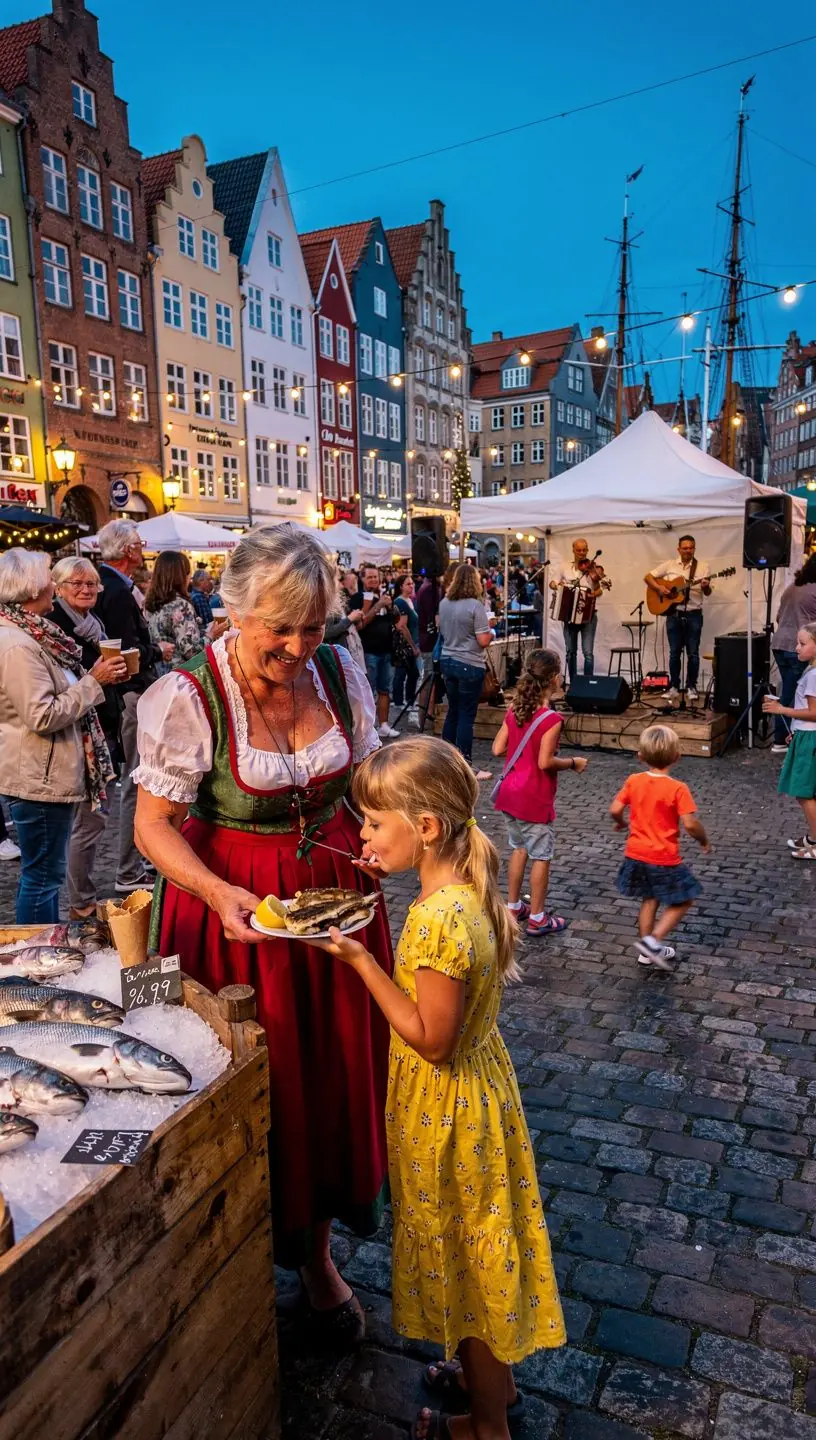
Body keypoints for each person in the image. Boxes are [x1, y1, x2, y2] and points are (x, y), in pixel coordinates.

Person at [133, 523, 393, 1342]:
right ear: (233, 608)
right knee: (264, 1077)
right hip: (237, 917)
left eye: (312, 625)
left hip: (338, 906)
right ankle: (231, 1243)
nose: (296, 644)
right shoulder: (187, 695)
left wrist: (393, 828)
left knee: (332, 1079)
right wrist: (214, 892)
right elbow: (152, 827)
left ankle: (316, 1256)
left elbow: (366, 779)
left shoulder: (342, 670)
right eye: (278, 626)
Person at [304, 737, 566, 1440]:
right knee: (473, 1249)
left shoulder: (438, 920)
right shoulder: (454, 888)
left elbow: (430, 1037)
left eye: (371, 822)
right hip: (476, 1098)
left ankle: (486, 1425)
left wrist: (359, 959)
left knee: (473, 1269)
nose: (359, 835)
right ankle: (488, 1382)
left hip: (452, 1112)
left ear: (425, 828)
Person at [0, 548, 127, 921]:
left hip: (44, 770)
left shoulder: (30, 632)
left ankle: (39, 951)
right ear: (30, 588)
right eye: (47, 581)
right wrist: (93, 682)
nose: (52, 588)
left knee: (44, 875)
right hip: (37, 775)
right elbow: (42, 715)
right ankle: (34, 961)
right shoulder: (19, 644)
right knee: (42, 878)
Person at [94, 520, 171, 895]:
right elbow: (126, 648)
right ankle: (129, 869)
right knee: (137, 781)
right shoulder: (117, 591)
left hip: (128, 694)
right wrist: (158, 651)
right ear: (128, 550)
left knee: (136, 780)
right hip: (131, 694)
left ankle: (137, 861)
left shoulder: (111, 585)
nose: (142, 549)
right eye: (140, 544)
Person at [492, 649, 588, 936]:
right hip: (534, 797)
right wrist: (573, 763)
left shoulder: (514, 709)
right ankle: (538, 917)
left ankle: (512, 906)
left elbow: (497, 749)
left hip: (510, 794)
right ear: (555, 680)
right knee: (541, 856)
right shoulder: (552, 719)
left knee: (518, 849)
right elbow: (545, 762)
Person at [51, 555, 124, 918]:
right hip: (77, 735)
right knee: (88, 821)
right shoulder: (55, 626)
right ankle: (81, 902)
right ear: (58, 588)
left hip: (102, 731)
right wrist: (99, 679)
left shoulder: (94, 623)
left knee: (95, 819)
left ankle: (84, 896)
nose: (85, 589)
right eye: (76, 584)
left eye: (91, 583)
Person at [610, 723, 711, 969]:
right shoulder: (678, 788)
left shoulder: (634, 780)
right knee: (685, 899)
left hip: (636, 853)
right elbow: (690, 824)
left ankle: (647, 951)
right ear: (677, 757)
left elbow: (614, 809)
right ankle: (653, 942)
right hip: (663, 856)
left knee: (650, 897)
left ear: (641, 756)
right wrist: (703, 840)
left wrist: (621, 822)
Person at [763, 622, 816, 859]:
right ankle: (813, 837)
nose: (796, 648)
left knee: (804, 793)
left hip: (810, 738)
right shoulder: (811, 672)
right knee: (807, 792)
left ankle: (815, 843)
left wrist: (782, 709)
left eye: (803, 644)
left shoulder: (813, 675)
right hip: (805, 735)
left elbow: (814, 713)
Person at [439, 563, 494, 781]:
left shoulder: (444, 603)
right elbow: (482, 640)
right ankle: (465, 765)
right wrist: (492, 630)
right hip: (469, 663)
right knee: (465, 716)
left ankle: (444, 760)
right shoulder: (475, 606)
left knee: (452, 711)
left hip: (447, 660)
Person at [645, 536, 712, 703]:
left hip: (693, 614)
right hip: (674, 615)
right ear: (679, 549)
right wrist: (660, 588)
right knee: (674, 653)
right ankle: (674, 687)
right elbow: (648, 577)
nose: (688, 550)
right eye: (685, 548)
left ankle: (691, 687)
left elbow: (708, 592)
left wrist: (706, 587)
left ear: (694, 549)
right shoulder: (669, 565)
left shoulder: (703, 567)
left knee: (693, 653)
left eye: (691, 548)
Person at [145, 551, 227, 672]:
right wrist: (211, 635)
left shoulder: (151, 603)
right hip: (182, 677)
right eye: (188, 573)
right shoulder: (180, 605)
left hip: (161, 673)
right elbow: (191, 652)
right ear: (181, 576)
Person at [771, 555, 816, 753]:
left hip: (781, 642)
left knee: (790, 691)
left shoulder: (793, 586)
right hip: (798, 646)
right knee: (792, 694)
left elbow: (778, 616)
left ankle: (786, 736)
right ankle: (781, 739)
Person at [549, 538, 607, 682]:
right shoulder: (564, 567)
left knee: (588, 653)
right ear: (573, 550)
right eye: (579, 550)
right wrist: (557, 586)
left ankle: (588, 684)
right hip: (569, 615)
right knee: (570, 652)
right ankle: (574, 683)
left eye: (584, 550)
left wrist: (593, 594)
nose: (582, 553)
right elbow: (552, 582)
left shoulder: (593, 568)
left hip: (588, 615)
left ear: (588, 550)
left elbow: (600, 590)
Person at [358, 563, 399, 739]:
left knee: (384, 690)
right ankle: (367, 727)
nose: (374, 580)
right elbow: (360, 624)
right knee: (368, 690)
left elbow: (395, 619)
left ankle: (383, 724)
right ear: (363, 579)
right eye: (370, 577)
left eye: (376, 577)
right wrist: (377, 606)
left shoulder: (384, 596)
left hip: (386, 651)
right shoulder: (358, 598)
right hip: (369, 651)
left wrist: (391, 607)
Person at [392, 574, 421, 724]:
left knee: (411, 673)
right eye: (408, 584)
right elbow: (401, 626)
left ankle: (408, 699)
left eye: (412, 584)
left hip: (411, 642)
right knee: (404, 672)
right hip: (404, 644)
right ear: (401, 586)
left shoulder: (410, 601)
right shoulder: (400, 602)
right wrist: (413, 645)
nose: (411, 586)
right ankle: (400, 700)